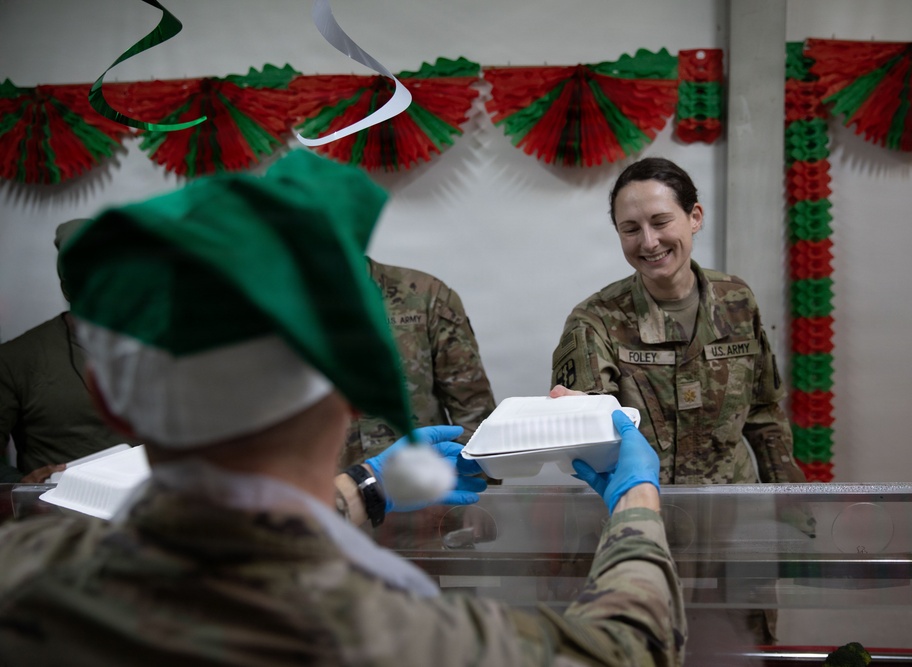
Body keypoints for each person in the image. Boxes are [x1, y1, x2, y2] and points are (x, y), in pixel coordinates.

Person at [0, 150, 685, 666]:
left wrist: (361, 490)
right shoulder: (404, 638)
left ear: (111, 399)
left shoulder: (22, 571)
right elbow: (625, 648)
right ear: (357, 380)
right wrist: (636, 498)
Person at [551, 157, 805, 487]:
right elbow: (593, 432)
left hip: (734, 515)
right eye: (630, 229)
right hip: (642, 512)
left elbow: (764, 415)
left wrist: (793, 510)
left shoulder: (737, 300)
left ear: (694, 217)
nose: (648, 241)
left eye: (661, 222)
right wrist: (580, 417)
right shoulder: (595, 320)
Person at [0, 219, 137, 483]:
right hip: (63, 516)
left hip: (149, 513)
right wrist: (20, 484)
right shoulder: (16, 359)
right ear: (67, 288)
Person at [342, 258, 496, 468]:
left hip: (420, 488)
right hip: (306, 492)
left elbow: (475, 415)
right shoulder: (284, 310)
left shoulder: (424, 295)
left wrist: (472, 484)